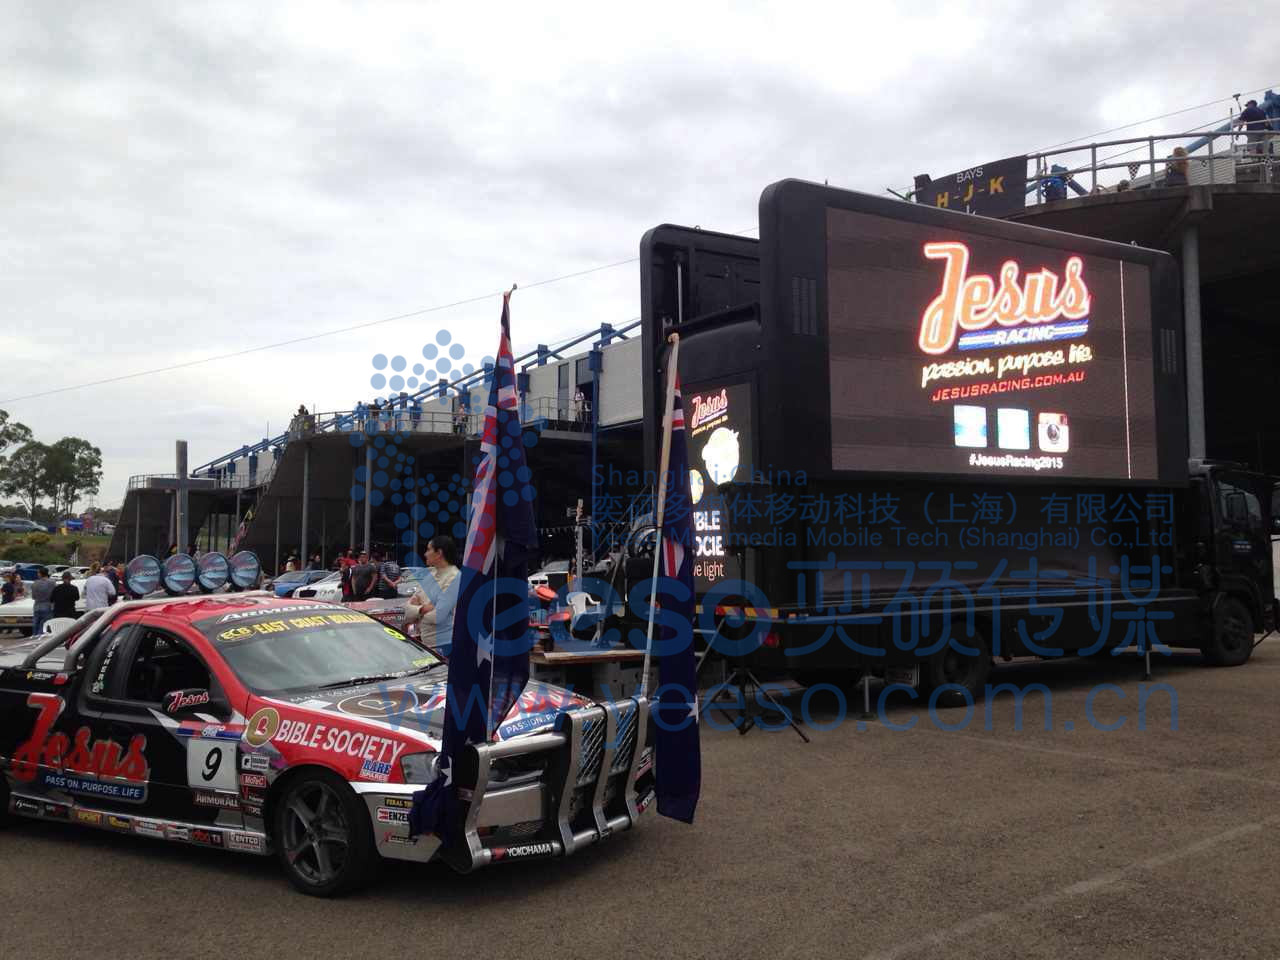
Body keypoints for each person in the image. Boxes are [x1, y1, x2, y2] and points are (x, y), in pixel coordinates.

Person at [404, 536, 461, 651]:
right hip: (426, 645)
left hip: (445, 646)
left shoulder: (454, 576)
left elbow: (437, 616)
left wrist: (417, 609)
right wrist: (423, 609)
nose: (425, 554)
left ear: (439, 553)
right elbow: (407, 611)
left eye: (428, 549)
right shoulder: (429, 574)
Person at [29, 567, 55, 636]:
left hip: (37, 606)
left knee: (35, 625)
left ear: (40, 574)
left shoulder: (35, 583)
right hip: (48, 605)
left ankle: (34, 638)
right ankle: (41, 640)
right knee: (45, 626)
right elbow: (54, 594)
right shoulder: (52, 583)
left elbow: (33, 597)